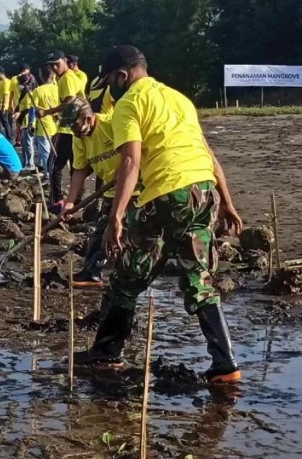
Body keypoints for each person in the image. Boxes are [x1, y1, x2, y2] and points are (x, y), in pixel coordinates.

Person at [75, 45, 244, 384]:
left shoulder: (129, 104)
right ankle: (226, 366)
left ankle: (107, 354)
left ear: (122, 76)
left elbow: (130, 162)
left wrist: (116, 217)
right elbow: (207, 152)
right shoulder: (179, 99)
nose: (109, 88)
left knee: (127, 275)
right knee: (198, 279)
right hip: (203, 190)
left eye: (109, 81)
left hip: (167, 194)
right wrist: (226, 202)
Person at [57, 97, 139, 288]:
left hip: (134, 191)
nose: (73, 130)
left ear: (87, 118)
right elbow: (80, 170)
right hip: (111, 193)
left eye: (74, 124)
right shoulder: (80, 138)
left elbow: (135, 153)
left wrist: (123, 172)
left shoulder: (112, 125)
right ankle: (91, 274)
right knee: (99, 233)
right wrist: (70, 202)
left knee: (116, 232)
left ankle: (119, 276)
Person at [37, 50, 87, 210]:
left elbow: (70, 102)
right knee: (75, 167)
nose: (55, 68)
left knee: (54, 165)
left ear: (65, 61)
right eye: (52, 65)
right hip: (76, 129)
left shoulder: (67, 78)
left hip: (67, 129)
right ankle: (75, 202)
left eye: (57, 64)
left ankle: (56, 201)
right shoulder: (68, 77)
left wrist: (47, 112)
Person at [31, 66, 59, 175]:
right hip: (57, 125)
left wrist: (31, 124)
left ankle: (49, 174)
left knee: (45, 153)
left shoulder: (38, 91)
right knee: (57, 152)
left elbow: (33, 109)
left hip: (44, 126)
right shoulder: (58, 89)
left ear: (41, 76)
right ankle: (55, 173)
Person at [12, 73, 37, 169]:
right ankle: (25, 162)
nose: (19, 85)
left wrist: (19, 113)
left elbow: (30, 108)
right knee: (24, 144)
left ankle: (31, 164)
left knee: (29, 143)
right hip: (22, 122)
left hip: (27, 121)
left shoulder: (29, 94)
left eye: (20, 83)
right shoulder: (23, 93)